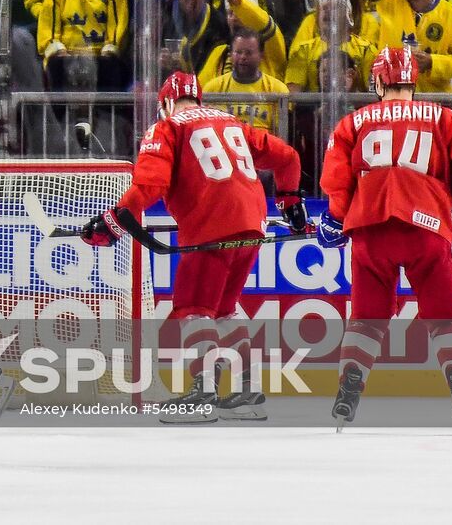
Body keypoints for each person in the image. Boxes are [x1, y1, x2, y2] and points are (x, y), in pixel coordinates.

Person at [83, 71, 303, 423]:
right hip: (253, 223)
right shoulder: (232, 123)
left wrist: (113, 220)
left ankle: (203, 393)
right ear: (199, 99)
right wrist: (290, 200)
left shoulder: (168, 127)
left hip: (211, 227)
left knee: (193, 308)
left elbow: (150, 184)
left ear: (166, 103)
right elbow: (288, 156)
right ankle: (250, 391)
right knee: (225, 308)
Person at [318, 47, 452, 432]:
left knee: (366, 320)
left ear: (378, 81)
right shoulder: (443, 118)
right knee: (447, 318)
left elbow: (336, 179)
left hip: (371, 230)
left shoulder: (354, 122)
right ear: (414, 80)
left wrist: (334, 218)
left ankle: (348, 394)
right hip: (425, 229)